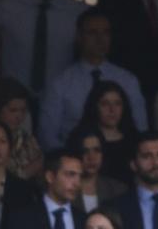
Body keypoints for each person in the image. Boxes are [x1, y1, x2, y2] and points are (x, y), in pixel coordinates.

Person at [39, 9, 147, 150]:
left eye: (106, 33)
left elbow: (142, 130)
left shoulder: (128, 81)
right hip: (75, 159)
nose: (100, 39)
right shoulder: (60, 84)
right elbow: (47, 136)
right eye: (92, 33)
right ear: (79, 36)